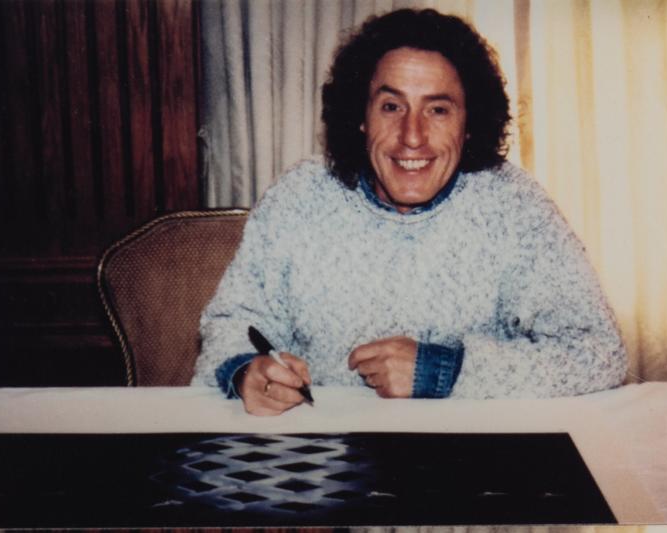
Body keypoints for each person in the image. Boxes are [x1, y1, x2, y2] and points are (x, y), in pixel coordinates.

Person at [192, 7, 627, 416]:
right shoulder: (298, 197)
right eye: (391, 107)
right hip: (324, 450)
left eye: (437, 110)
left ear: (469, 124)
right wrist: (244, 371)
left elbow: (598, 352)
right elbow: (232, 324)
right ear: (360, 117)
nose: (412, 136)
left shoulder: (514, 206)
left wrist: (445, 371)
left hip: (471, 452)